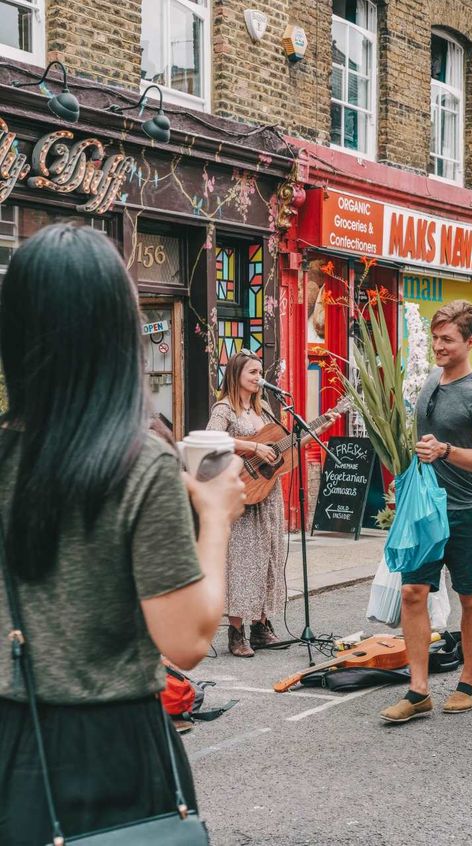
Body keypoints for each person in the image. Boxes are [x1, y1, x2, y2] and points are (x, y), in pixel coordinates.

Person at [0, 224, 245, 845]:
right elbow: (186, 639)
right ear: (118, 332)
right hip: (113, 751)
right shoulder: (139, 463)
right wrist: (215, 517)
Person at [380, 300, 472, 724]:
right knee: (413, 593)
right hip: (425, 510)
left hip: (469, 512)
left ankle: (467, 682)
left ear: (470, 342)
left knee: (470, 597)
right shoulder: (432, 379)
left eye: (448, 340)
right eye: (435, 338)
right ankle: (418, 691)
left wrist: (446, 451)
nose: (438, 346)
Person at [207, 349, 338, 657]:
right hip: (241, 494)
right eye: (252, 373)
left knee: (268, 558)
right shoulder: (224, 409)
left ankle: (261, 627)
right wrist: (252, 446)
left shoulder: (264, 409)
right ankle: (236, 632)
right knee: (242, 561)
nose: (258, 378)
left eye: (259, 373)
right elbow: (211, 439)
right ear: (236, 375)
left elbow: (283, 448)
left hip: (269, 495)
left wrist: (314, 432)